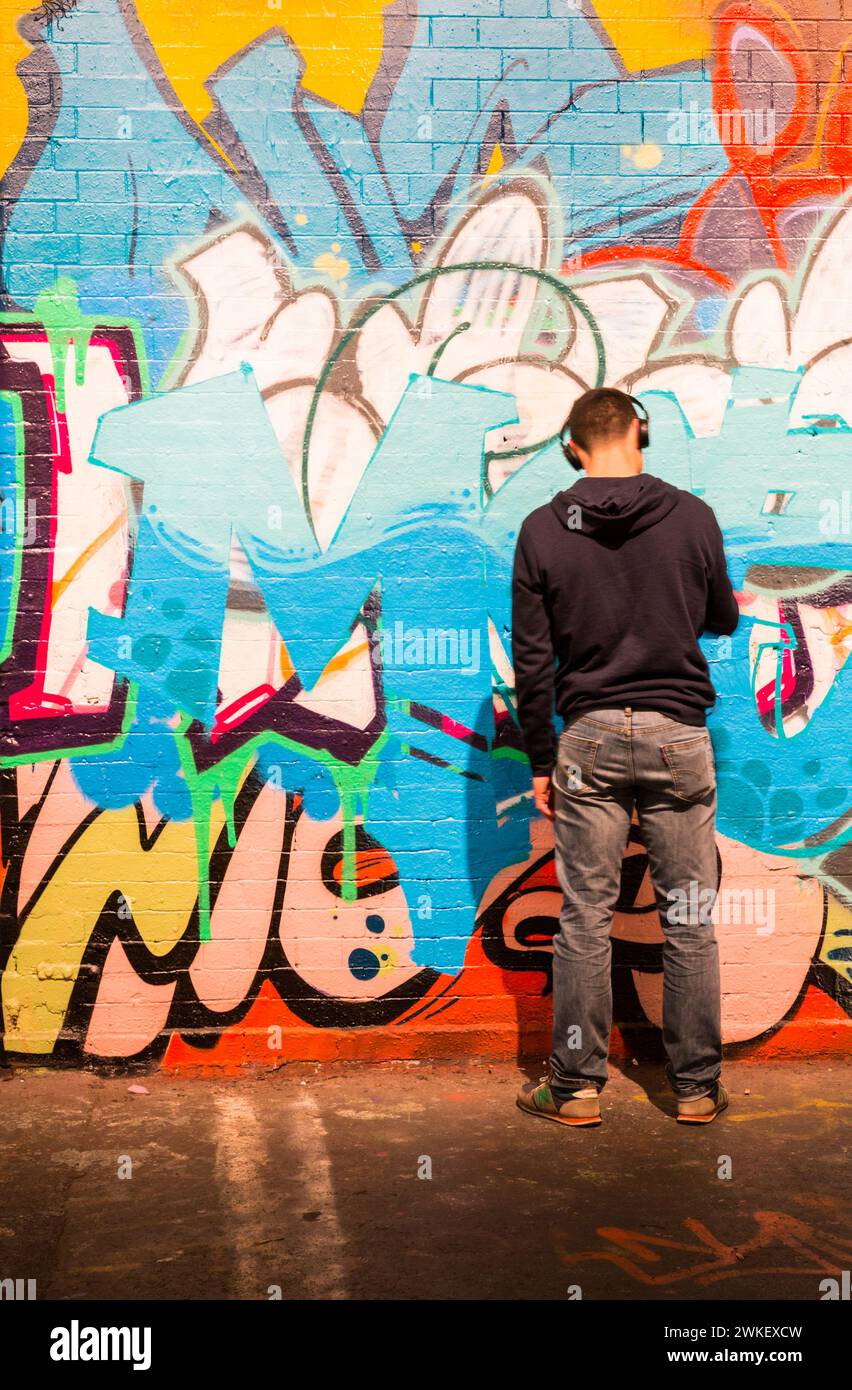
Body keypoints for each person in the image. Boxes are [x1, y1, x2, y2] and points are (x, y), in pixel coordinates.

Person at [510, 387, 739, 1128]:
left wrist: (542, 762)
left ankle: (575, 1089)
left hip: (589, 739)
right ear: (642, 433)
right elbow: (722, 617)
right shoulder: (694, 518)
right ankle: (697, 1088)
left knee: (584, 917)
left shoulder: (544, 530)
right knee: (690, 916)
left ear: (572, 446)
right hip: (678, 732)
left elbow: (533, 663)